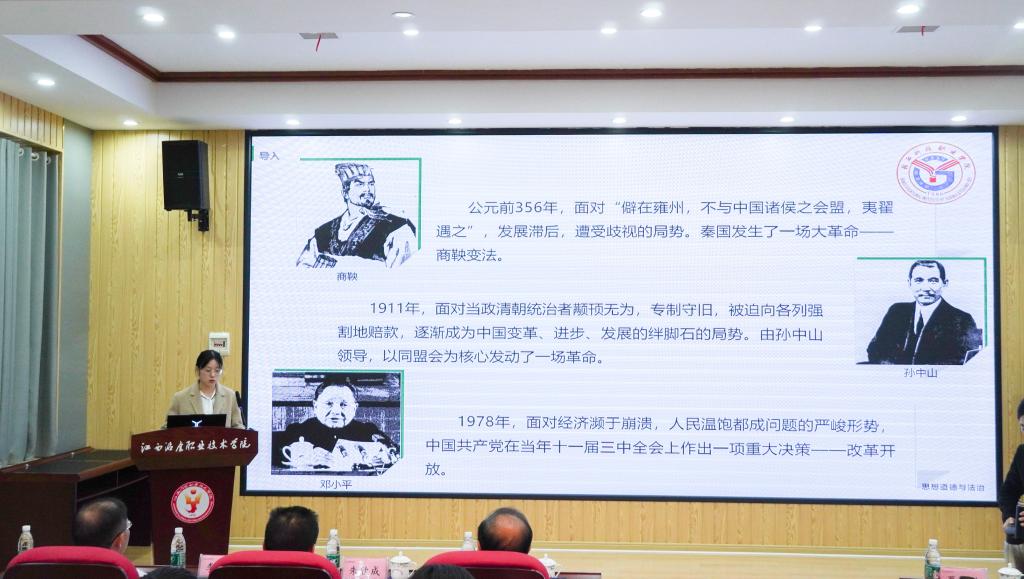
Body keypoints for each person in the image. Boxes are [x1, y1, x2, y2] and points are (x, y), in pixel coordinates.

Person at [296, 162, 416, 268]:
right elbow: (303, 267)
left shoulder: (396, 227)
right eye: (360, 184)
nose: (367, 189)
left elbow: (398, 274)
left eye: (371, 184)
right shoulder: (323, 232)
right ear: (345, 193)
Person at [866, 259, 982, 365]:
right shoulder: (897, 311)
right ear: (909, 283)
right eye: (919, 280)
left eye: (933, 281)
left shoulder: (962, 320)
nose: (926, 288)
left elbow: (964, 361)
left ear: (944, 283)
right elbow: (874, 350)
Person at [273, 377, 399, 472]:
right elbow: (270, 452)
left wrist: (386, 456)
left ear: (354, 408)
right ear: (315, 406)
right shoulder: (298, 430)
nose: (336, 411)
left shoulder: (368, 431)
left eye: (344, 404)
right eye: (329, 404)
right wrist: (303, 459)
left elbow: (395, 451)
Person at [166, 350, 244, 428]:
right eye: (208, 370)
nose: (212, 375)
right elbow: (167, 428)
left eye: (217, 371)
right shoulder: (180, 398)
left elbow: (238, 427)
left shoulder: (230, 396)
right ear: (197, 371)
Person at [1000, 398, 1024, 569]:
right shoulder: (1022, 453)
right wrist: (1009, 515)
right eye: (1023, 427)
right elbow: (1008, 491)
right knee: (1013, 539)